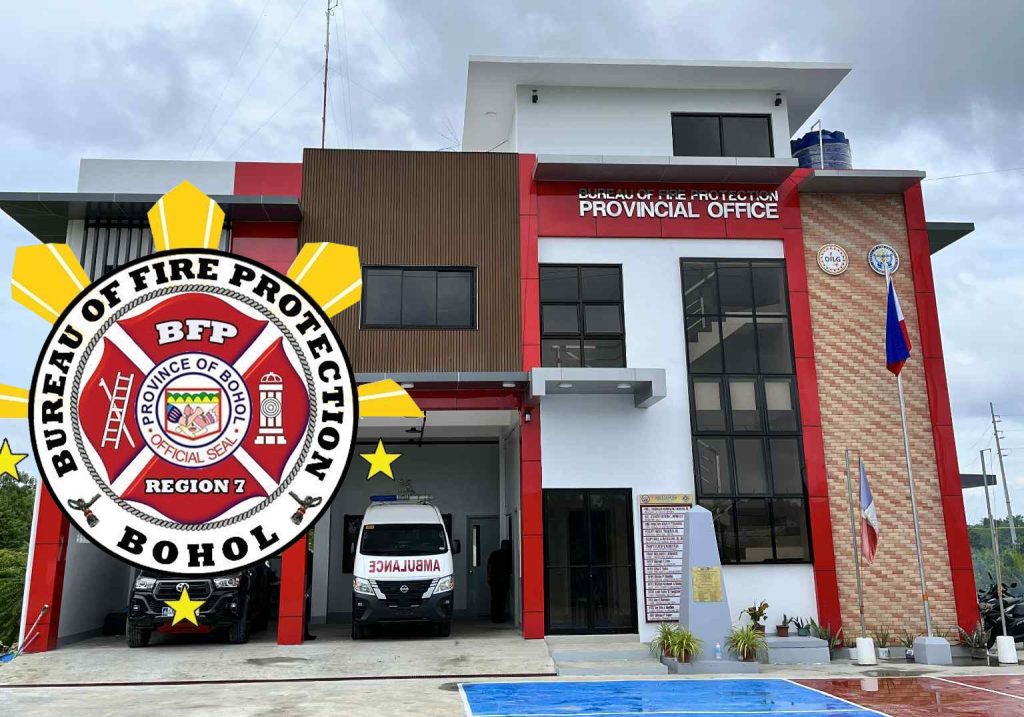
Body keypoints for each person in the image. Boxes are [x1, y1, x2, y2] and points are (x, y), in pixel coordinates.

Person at [486, 539, 513, 623]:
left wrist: (488, 577)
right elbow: (510, 568)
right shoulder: (509, 555)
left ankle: (494, 617)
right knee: (502, 600)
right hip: (504, 580)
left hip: (494, 579)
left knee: (494, 599)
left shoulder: (494, 554)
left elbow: (489, 566)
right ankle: (500, 617)